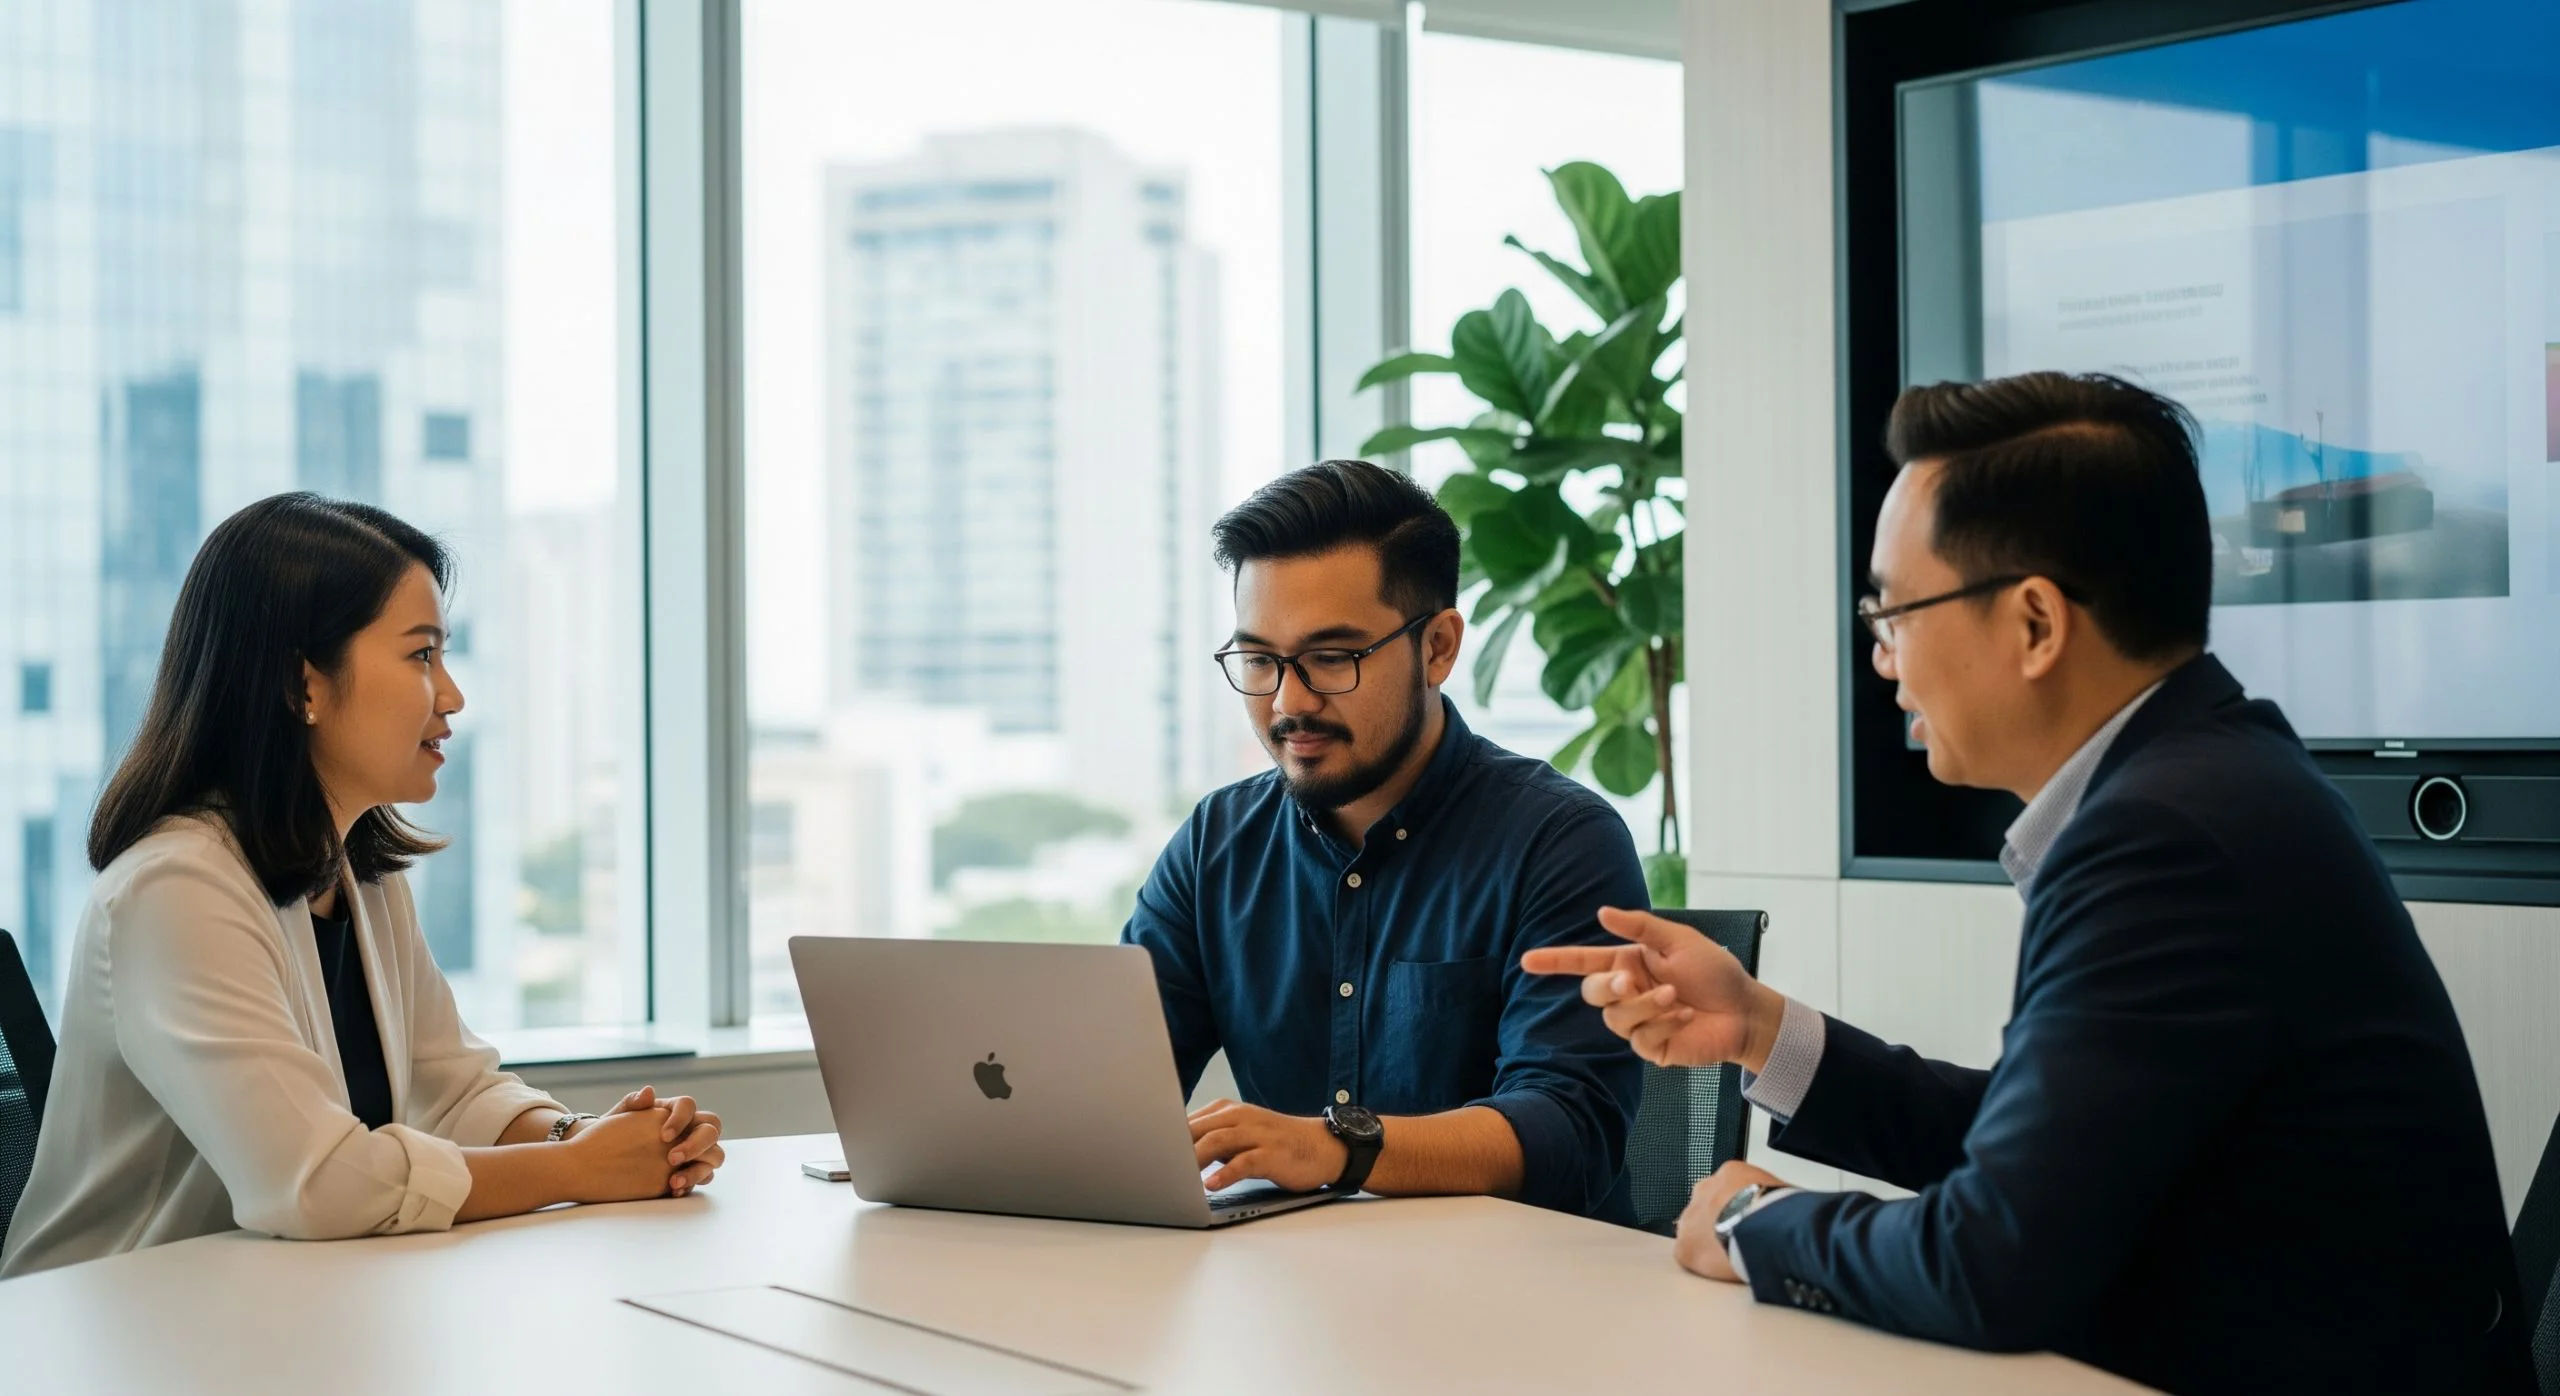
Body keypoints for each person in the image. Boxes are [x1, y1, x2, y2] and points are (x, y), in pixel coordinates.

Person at [1526, 373, 2534, 1393]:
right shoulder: (2210, 775)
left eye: (1894, 610)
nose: (1883, 659)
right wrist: (1756, 1025)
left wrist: (1757, 1223)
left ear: (2037, 624)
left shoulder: (2163, 834)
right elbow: (2045, 1149)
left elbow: (1990, 1261)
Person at [1, 494, 724, 1278]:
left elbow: (453, 1091)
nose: (452, 696)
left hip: (276, 1312)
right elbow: (316, 1183)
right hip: (108, 1340)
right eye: (421, 656)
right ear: (301, 685)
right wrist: (580, 1172)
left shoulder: (359, 876)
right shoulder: (174, 891)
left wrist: (577, 1135)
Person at [1123, 459, 1646, 1222]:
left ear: (1437, 647)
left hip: (1527, 1312)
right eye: (1260, 660)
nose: (1288, 701)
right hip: (1293, 1297)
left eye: (1332, 659)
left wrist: (1338, 1148)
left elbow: (1569, 1130)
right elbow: (1116, 1091)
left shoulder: (1560, 841)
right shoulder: (1217, 843)